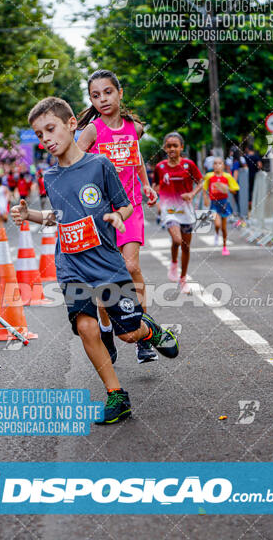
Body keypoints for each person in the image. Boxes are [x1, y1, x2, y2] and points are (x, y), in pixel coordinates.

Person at [11, 96, 179, 425]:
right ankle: (117, 395)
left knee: (127, 334)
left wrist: (118, 217)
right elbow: (59, 217)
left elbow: (126, 205)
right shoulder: (50, 177)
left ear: (72, 124)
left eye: (50, 129)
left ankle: (148, 331)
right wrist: (28, 214)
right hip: (71, 265)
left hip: (106, 263)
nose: (45, 138)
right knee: (86, 327)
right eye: (39, 133)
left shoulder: (100, 165)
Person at [76, 69, 159, 365]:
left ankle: (142, 331)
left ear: (120, 93)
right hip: (102, 213)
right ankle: (107, 329)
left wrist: (146, 184)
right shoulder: (92, 131)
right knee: (105, 280)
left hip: (131, 207)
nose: (103, 99)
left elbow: (135, 159)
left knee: (130, 264)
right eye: (95, 95)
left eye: (108, 92)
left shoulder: (132, 128)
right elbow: (75, 162)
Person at [153, 132, 203, 293]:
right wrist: (158, 202)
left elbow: (201, 182)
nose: (172, 148)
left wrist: (192, 194)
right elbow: (156, 186)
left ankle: (183, 279)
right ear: (164, 148)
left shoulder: (189, 165)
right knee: (177, 239)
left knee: (186, 247)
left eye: (175, 145)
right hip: (169, 210)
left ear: (181, 147)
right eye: (169, 146)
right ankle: (174, 263)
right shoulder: (160, 167)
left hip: (186, 210)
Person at [203, 157, 239, 256]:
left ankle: (224, 246)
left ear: (223, 165)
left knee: (224, 227)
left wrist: (226, 188)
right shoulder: (209, 176)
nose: (217, 165)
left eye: (219, 163)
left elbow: (235, 190)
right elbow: (204, 188)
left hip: (224, 203)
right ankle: (216, 233)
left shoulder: (227, 176)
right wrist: (205, 198)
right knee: (217, 224)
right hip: (214, 203)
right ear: (213, 166)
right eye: (215, 163)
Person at [243, 143, 263, 207]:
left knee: (248, 188)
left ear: (247, 149)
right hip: (255, 175)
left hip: (247, 175)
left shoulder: (245, 157)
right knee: (255, 188)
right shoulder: (256, 156)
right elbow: (260, 165)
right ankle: (256, 201)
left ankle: (249, 201)